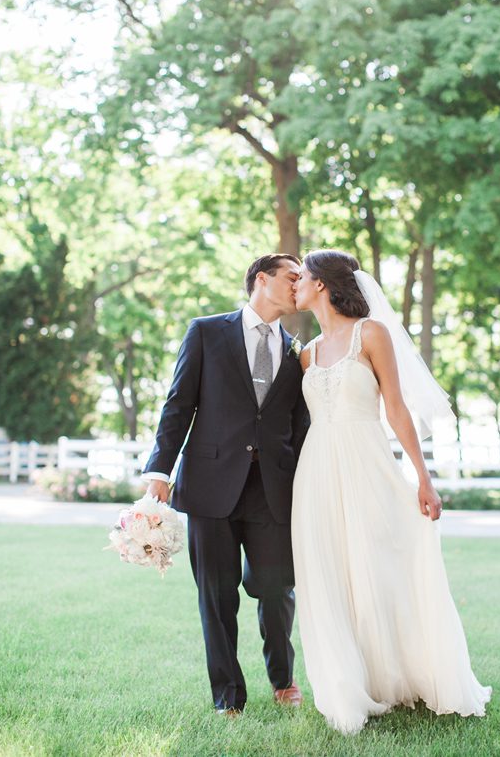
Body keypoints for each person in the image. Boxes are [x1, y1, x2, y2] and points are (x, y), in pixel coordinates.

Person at [291, 249, 491, 734]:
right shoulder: (307, 353)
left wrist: (423, 477)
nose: (294, 285)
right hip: (316, 470)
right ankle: (347, 683)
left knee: (381, 565)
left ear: (321, 284)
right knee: (329, 573)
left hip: (368, 463)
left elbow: (397, 409)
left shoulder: (371, 334)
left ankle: (403, 673)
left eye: (301, 278)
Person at [143, 254, 309, 715]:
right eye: (292, 277)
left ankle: (283, 677)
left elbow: (301, 425)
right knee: (216, 597)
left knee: (276, 588)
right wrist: (160, 470)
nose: (300, 285)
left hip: (274, 490)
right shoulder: (206, 332)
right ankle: (228, 696)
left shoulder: (300, 350)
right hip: (210, 485)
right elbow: (179, 404)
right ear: (262, 279)